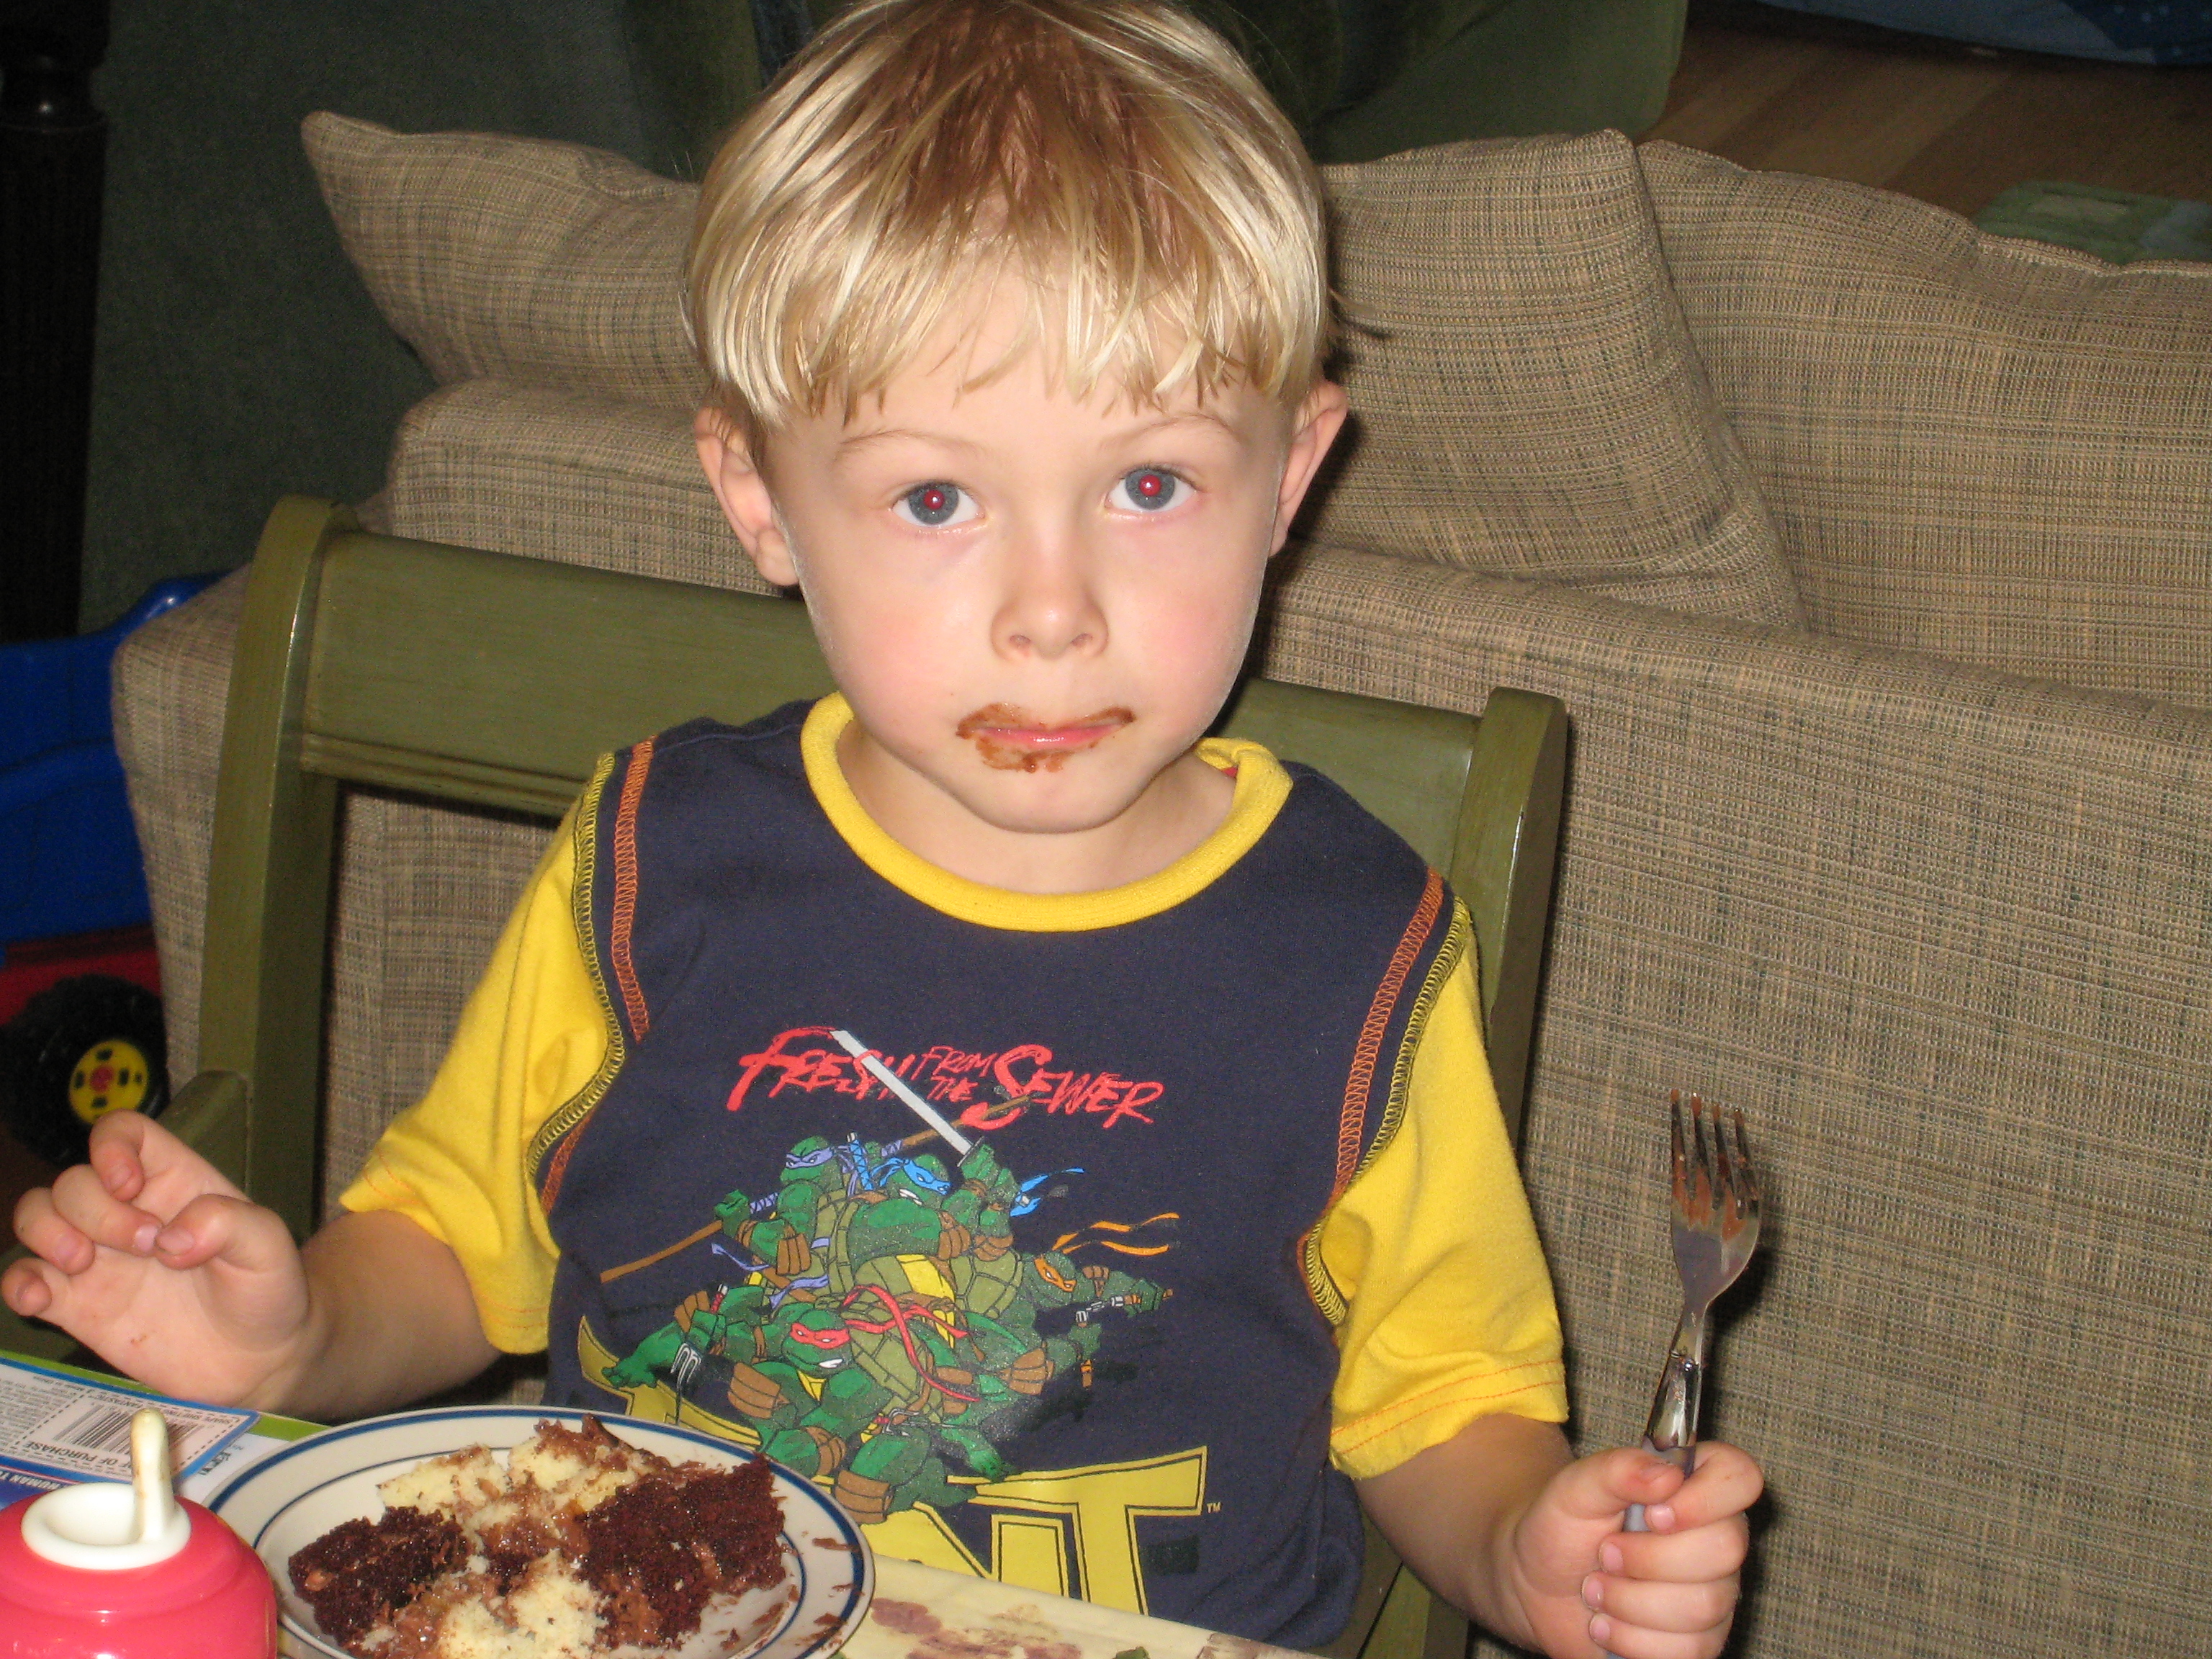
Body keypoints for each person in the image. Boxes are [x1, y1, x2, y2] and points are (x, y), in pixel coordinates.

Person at [4, 0, 1761, 1652]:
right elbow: (463, 1243)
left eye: (1150, 484)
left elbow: (1440, 1402)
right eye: (935, 499)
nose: (1052, 613)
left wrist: (1533, 1550)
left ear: (1290, 476)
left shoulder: (1357, 947)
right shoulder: (654, 854)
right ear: (760, 500)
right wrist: (301, 1333)